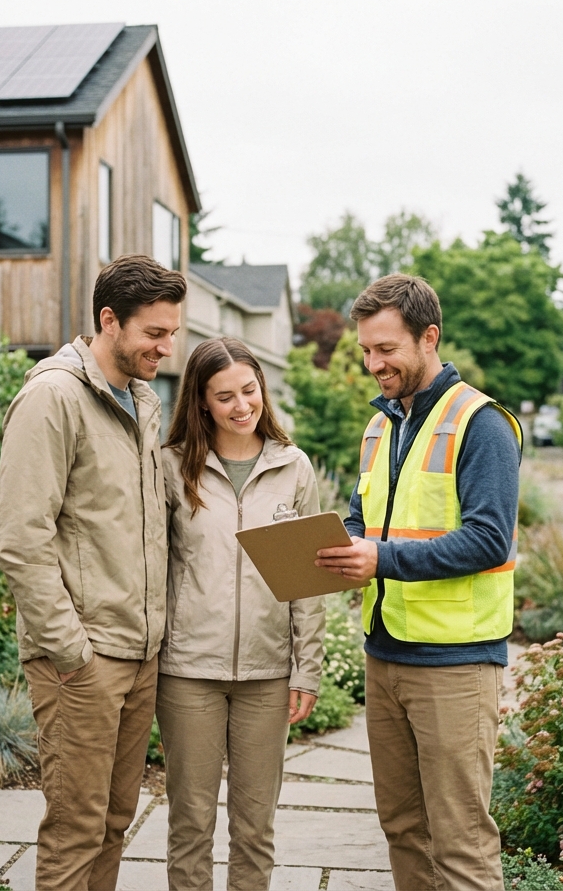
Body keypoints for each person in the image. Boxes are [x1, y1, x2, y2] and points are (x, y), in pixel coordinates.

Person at [315, 274, 522, 891]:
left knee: (460, 841)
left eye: (386, 350)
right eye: (365, 351)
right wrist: (333, 545)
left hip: (455, 664)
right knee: (403, 827)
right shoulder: (381, 425)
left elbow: (489, 540)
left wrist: (379, 559)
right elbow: (367, 519)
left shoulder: (480, 424)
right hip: (386, 656)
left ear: (429, 337)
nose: (373, 364)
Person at [0, 254, 186, 891]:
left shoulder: (141, 399)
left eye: (172, 333)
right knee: (76, 828)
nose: (167, 346)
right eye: (154, 333)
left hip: (140, 651)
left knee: (113, 820)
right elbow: (20, 540)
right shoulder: (52, 398)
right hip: (84, 659)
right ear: (109, 321)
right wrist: (73, 652)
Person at [158, 337, 326, 891]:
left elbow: (308, 582)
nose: (241, 406)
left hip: (267, 675)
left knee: (255, 829)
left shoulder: (292, 467)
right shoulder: (170, 467)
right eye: (224, 395)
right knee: (191, 824)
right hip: (188, 673)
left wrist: (307, 669)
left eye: (249, 390)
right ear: (201, 401)